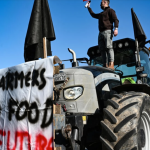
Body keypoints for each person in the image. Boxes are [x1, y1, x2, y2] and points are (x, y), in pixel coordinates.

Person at [87, 0, 119, 70]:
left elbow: (116, 20)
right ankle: (105, 64)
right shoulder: (101, 14)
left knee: (109, 47)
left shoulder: (110, 10)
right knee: (102, 49)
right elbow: (93, 15)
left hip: (108, 31)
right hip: (100, 33)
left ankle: (111, 64)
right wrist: (89, 7)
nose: (100, 4)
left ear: (105, 2)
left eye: (101, 3)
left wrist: (116, 28)